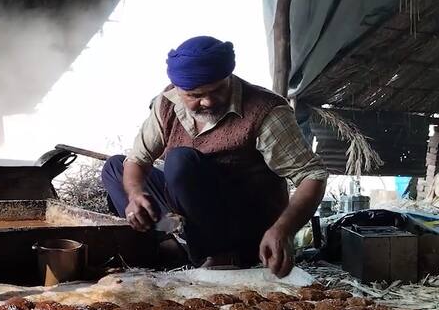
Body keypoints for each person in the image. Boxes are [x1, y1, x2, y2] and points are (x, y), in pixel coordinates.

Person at [101, 36, 328, 277]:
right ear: (178, 89)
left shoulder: (266, 111)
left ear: (228, 76)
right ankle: (167, 242)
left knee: (179, 162)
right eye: (195, 95)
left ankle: (224, 257)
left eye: (218, 89)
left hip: (245, 225)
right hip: (193, 216)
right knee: (115, 168)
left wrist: (283, 230)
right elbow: (137, 159)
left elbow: (312, 175)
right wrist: (135, 195)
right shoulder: (166, 104)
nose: (208, 101)